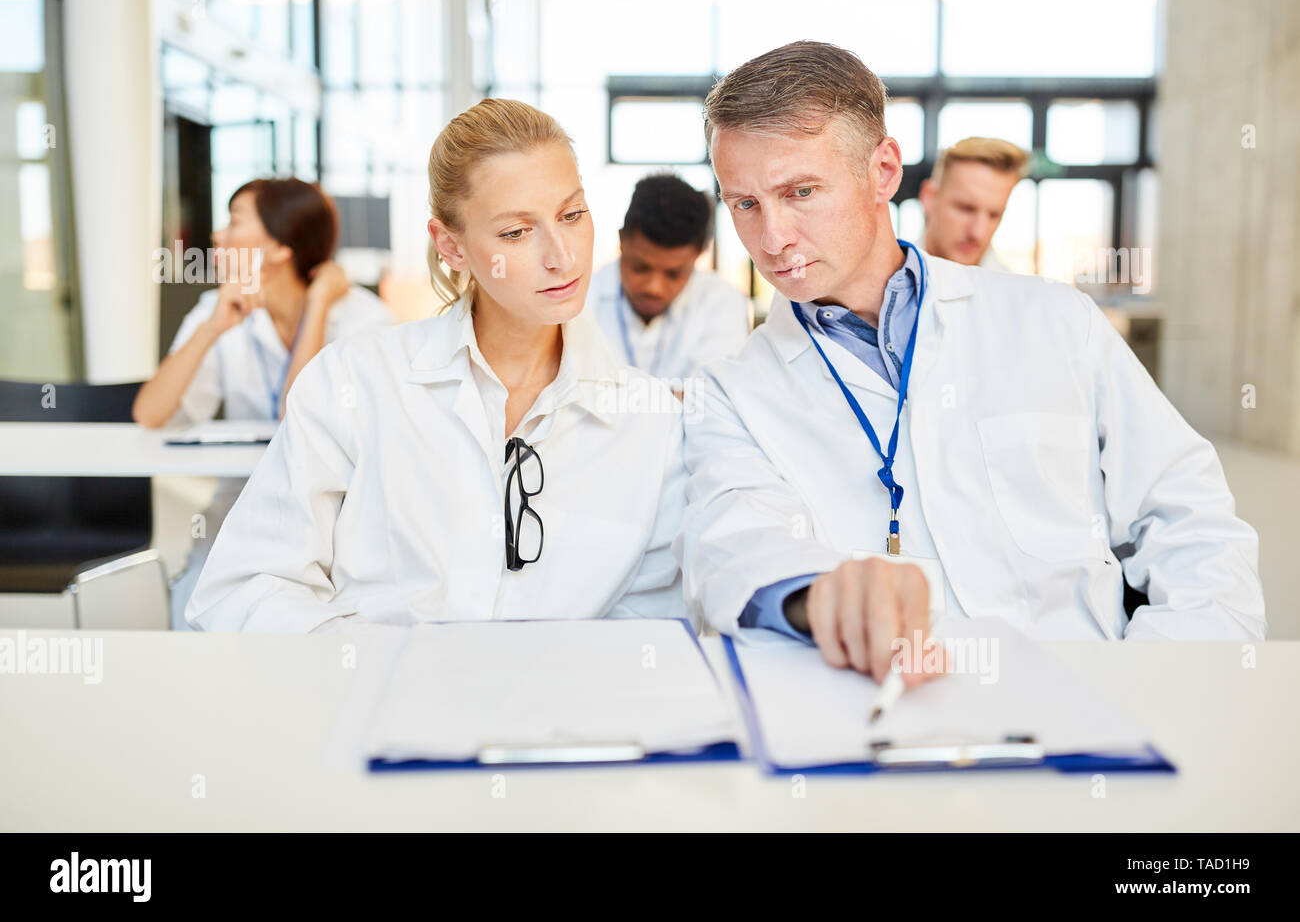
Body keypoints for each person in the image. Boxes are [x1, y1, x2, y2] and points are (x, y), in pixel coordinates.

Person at [675, 40, 1265, 684]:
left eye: (802, 191)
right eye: (744, 203)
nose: (771, 238)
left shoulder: (1053, 321)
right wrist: (815, 597)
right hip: (881, 722)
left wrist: (1161, 683)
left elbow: (1188, 517)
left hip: (1086, 711)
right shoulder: (731, 391)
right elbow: (732, 545)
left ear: (883, 171)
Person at [187, 98, 687, 632]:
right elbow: (245, 588)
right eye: (516, 232)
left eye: (572, 214)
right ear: (451, 246)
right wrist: (375, 669)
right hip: (377, 704)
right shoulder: (354, 381)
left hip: (563, 713)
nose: (561, 256)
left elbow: (654, 628)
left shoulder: (650, 424)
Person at [133, 178, 392, 630]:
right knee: (198, 607)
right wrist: (212, 328)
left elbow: (296, 415)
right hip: (239, 510)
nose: (216, 236)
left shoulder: (364, 318)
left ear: (279, 248)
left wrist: (316, 307)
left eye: (234, 221)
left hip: (342, 518)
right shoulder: (217, 308)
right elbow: (150, 413)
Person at [589, 173, 749, 387]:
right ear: (622, 241)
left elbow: (716, 404)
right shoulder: (580, 299)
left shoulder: (723, 302)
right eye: (640, 268)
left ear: (699, 254)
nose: (654, 288)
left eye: (674, 274)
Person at [919, 136, 1029, 272]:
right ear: (929, 198)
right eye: (966, 209)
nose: (978, 233)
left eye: (994, 215)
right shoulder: (887, 279)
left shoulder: (1012, 291)